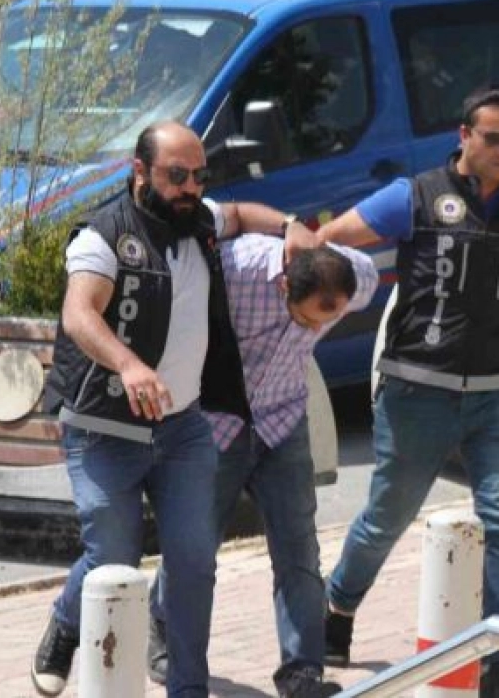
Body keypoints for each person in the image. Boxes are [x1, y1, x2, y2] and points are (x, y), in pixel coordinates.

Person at [316, 85, 499, 698]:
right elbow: (334, 238)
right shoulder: (413, 196)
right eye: (493, 138)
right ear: (463, 136)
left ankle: (496, 656)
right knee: (387, 517)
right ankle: (337, 605)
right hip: (418, 389)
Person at [31, 120, 317, 698]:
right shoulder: (103, 237)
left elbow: (239, 214)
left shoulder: (200, 219)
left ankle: (188, 688)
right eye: (177, 175)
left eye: (199, 176)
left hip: (183, 429)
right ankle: (66, 623)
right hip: (103, 427)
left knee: (193, 562)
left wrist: (291, 227)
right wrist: (128, 364)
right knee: (113, 557)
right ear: (140, 172)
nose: (190, 188)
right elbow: (79, 315)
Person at [150, 236, 379, 698]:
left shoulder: (357, 278)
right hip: (216, 423)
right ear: (283, 286)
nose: (315, 330)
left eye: (328, 320)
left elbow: (361, 266)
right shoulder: (238, 270)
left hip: (283, 419)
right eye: (307, 319)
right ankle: (164, 630)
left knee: (299, 550)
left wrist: (315, 238)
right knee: (194, 547)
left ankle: (302, 671)